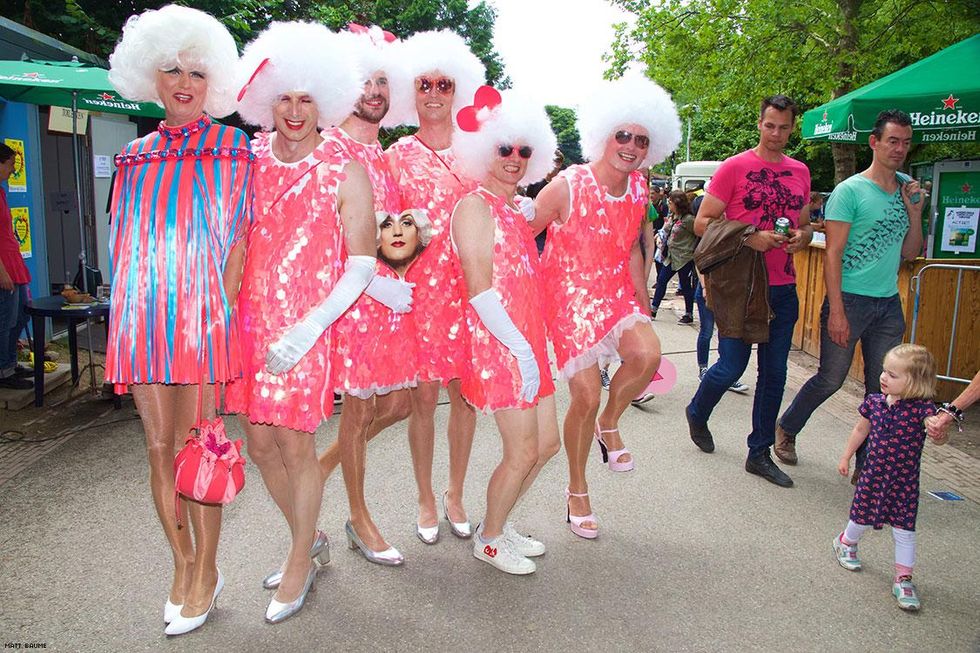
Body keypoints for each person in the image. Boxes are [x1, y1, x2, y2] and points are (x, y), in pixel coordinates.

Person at [105, 5, 250, 635]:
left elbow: (240, 248)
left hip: (203, 327)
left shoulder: (234, 147)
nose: (184, 80)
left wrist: (221, 321)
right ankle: (182, 563)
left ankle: (208, 571)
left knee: (202, 451)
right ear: (151, 77)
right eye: (171, 68)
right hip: (142, 325)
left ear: (212, 80)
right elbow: (124, 246)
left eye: (196, 70)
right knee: (158, 450)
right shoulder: (132, 157)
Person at [228, 22, 369, 624]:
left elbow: (363, 263)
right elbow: (236, 240)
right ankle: (308, 540)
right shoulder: (250, 158)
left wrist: (310, 328)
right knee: (258, 445)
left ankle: (296, 561)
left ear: (326, 101)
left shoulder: (346, 167)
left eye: (307, 97)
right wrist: (223, 313)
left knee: (295, 444)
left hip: (308, 328)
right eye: (283, 96)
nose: (293, 109)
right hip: (251, 326)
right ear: (266, 99)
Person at [531, 73, 681, 536]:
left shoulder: (639, 189)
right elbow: (522, 236)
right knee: (584, 394)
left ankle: (609, 424)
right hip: (568, 296)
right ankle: (577, 490)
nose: (632, 145)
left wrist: (641, 301)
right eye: (623, 134)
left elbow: (634, 246)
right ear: (603, 134)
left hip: (614, 291)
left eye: (641, 139)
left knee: (648, 354)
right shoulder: (568, 184)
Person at [314, 25, 419, 559]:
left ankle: (324, 467)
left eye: (382, 80)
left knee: (399, 403)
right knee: (358, 413)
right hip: (353, 301)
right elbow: (320, 236)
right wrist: (374, 285)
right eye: (363, 80)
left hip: (391, 303)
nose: (374, 90)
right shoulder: (329, 148)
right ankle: (359, 520)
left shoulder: (385, 154)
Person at [451, 86, 561, 573]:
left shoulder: (516, 211)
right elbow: (480, 290)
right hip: (500, 346)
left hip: (528, 344)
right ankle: (490, 539)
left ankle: (500, 520)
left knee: (546, 446)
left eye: (523, 150)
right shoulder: (473, 207)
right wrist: (520, 351)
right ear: (483, 150)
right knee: (521, 452)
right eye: (503, 149)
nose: (514, 159)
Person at [776, 110, 924, 467]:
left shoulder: (908, 188)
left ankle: (866, 461)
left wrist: (915, 212)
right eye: (892, 141)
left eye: (905, 142)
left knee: (883, 387)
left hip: (888, 303)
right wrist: (837, 311)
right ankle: (787, 426)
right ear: (874, 143)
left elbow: (910, 252)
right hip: (851, 300)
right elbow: (833, 254)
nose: (899, 149)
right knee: (831, 378)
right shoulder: (850, 191)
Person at [385, 30, 486, 543]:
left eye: (443, 84)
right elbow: (384, 226)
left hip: (469, 292)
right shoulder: (397, 154)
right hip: (421, 296)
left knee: (465, 398)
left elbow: (497, 211)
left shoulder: (476, 151)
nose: (433, 93)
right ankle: (425, 497)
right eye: (423, 83)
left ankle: (456, 492)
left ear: (457, 89)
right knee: (423, 399)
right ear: (413, 90)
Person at [686, 94, 812, 488]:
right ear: (759, 123)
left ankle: (758, 453)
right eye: (770, 125)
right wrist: (750, 237)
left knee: (774, 374)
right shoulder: (734, 167)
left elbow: (806, 225)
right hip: (739, 287)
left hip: (783, 286)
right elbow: (702, 223)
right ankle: (697, 409)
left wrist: (800, 239)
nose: (776, 134)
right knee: (731, 366)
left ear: (794, 128)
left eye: (784, 127)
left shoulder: (801, 172)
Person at [834, 344, 939, 611]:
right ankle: (846, 542)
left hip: (904, 482)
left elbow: (935, 427)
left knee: (905, 530)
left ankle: (903, 578)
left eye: (893, 375)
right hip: (873, 474)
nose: (883, 377)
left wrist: (938, 428)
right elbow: (860, 430)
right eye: (884, 371)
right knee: (861, 515)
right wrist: (846, 456)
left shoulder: (922, 409)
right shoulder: (874, 403)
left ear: (914, 383)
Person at [0, 143, 31, 390]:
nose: (12, 170)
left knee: (20, 314)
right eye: (10, 164)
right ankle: (3, 370)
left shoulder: (1, 191)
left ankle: (10, 361)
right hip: (4, 267)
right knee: (5, 320)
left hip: (13, 261)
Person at [693, 278, 749, 393]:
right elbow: (700, 265)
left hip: (727, 291)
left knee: (726, 332)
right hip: (708, 288)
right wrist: (704, 287)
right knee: (707, 331)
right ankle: (703, 369)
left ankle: (726, 375)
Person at [650, 190, 697, 323]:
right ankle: (653, 309)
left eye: (670, 203)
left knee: (686, 285)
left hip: (684, 257)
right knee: (661, 281)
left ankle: (688, 313)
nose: (669, 205)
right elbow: (665, 230)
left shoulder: (689, 220)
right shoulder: (673, 217)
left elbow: (699, 233)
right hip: (670, 256)